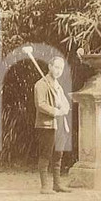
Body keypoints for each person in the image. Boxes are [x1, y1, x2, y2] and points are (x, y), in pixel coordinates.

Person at [34, 56, 72, 194]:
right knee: (46, 154)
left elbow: (65, 104)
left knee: (58, 154)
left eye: (61, 68)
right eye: (56, 67)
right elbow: (40, 104)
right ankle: (45, 187)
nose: (58, 71)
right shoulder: (41, 84)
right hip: (47, 124)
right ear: (50, 66)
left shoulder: (58, 86)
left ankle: (57, 184)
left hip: (60, 123)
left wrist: (64, 107)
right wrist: (56, 111)